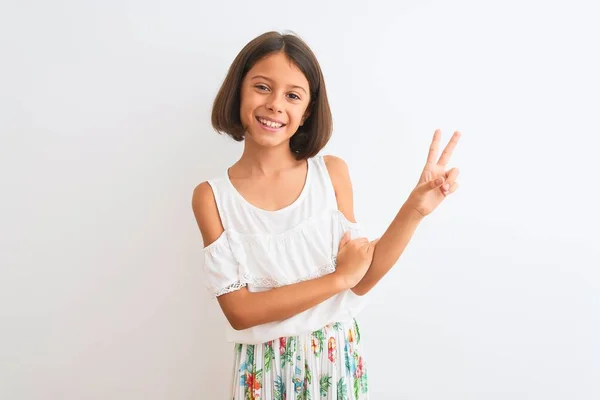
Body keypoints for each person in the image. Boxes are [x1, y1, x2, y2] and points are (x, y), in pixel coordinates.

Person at [192, 30, 460, 400]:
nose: (275, 104)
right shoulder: (212, 197)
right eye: (262, 87)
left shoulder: (330, 174)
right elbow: (240, 311)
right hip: (263, 373)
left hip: (335, 362)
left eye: (292, 95)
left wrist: (414, 210)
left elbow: (360, 279)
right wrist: (337, 279)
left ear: (307, 112)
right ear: (238, 91)